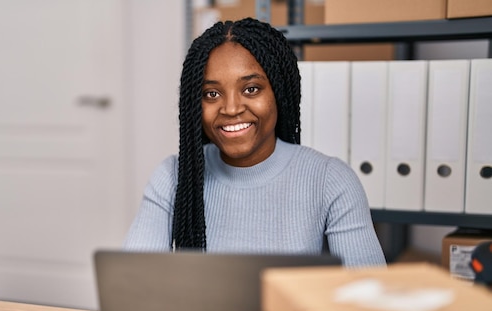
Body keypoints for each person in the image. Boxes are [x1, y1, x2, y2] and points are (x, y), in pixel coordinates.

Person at [123, 17, 386, 267]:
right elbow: (131, 285)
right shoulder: (172, 177)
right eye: (212, 94)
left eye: (251, 89)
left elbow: (369, 301)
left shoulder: (331, 180)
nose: (231, 108)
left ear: (279, 94)